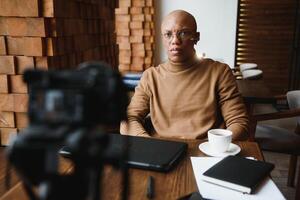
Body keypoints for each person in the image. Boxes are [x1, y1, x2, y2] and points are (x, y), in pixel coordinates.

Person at [120, 10, 249, 140]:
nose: (175, 41)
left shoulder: (219, 72)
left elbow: (238, 122)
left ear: (196, 37)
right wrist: (149, 144)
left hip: (207, 150)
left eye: (183, 33)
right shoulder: (151, 76)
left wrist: (217, 146)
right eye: (168, 34)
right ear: (163, 39)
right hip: (161, 151)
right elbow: (129, 118)